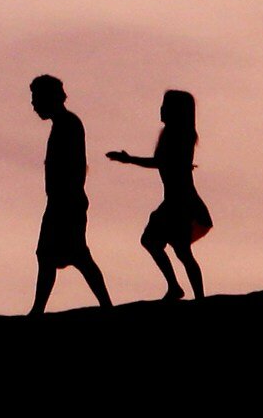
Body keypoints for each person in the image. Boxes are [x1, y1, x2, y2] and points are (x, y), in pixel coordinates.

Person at [103, 89, 211, 301]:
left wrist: (130, 159)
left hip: (181, 202)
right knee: (163, 245)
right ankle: (180, 289)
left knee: (178, 250)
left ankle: (194, 295)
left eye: (165, 105)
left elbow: (162, 162)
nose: (161, 109)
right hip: (175, 201)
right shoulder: (174, 133)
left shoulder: (180, 134)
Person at [28, 76, 115, 314]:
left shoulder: (68, 124)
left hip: (66, 201)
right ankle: (39, 309)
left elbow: (75, 166)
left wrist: (66, 198)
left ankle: (39, 310)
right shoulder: (64, 124)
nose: (33, 104)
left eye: (36, 98)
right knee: (63, 254)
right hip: (62, 200)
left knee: (69, 254)